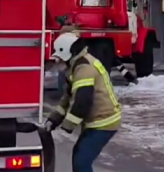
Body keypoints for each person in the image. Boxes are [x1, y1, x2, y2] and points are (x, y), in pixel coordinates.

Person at [44, 32, 121, 172]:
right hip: (97, 121)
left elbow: (82, 102)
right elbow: (67, 98)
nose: (57, 62)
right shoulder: (76, 66)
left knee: (81, 162)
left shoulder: (84, 68)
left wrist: (66, 127)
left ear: (68, 53)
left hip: (103, 122)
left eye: (59, 58)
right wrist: (54, 120)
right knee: (79, 157)